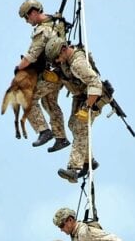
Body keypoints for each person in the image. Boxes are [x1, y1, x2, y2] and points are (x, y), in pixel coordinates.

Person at [43, 37, 104, 183]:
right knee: (72, 124)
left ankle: (74, 169)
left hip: (93, 98)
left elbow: (96, 84)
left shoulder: (78, 64)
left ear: (64, 49)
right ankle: (89, 160)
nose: (57, 61)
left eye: (57, 57)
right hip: (81, 96)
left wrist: (87, 107)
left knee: (80, 127)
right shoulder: (66, 60)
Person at [15, 0, 70, 152]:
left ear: (33, 12)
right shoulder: (55, 22)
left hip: (51, 74)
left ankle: (43, 131)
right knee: (50, 103)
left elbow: (32, 55)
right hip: (60, 73)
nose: (26, 21)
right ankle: (61, 138)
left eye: (26, 16)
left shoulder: (43, 30)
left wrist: (18, 68)